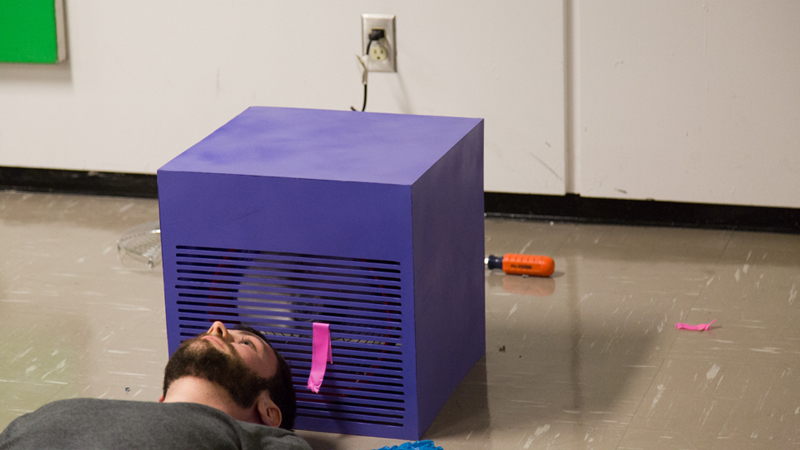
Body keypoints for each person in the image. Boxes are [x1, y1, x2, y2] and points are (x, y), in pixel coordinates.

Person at [0, 321, 312, 450]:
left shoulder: (267, 441)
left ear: (269, 412)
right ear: (160, 398)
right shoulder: (53, 411)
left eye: (246, 343)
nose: (216, 327)